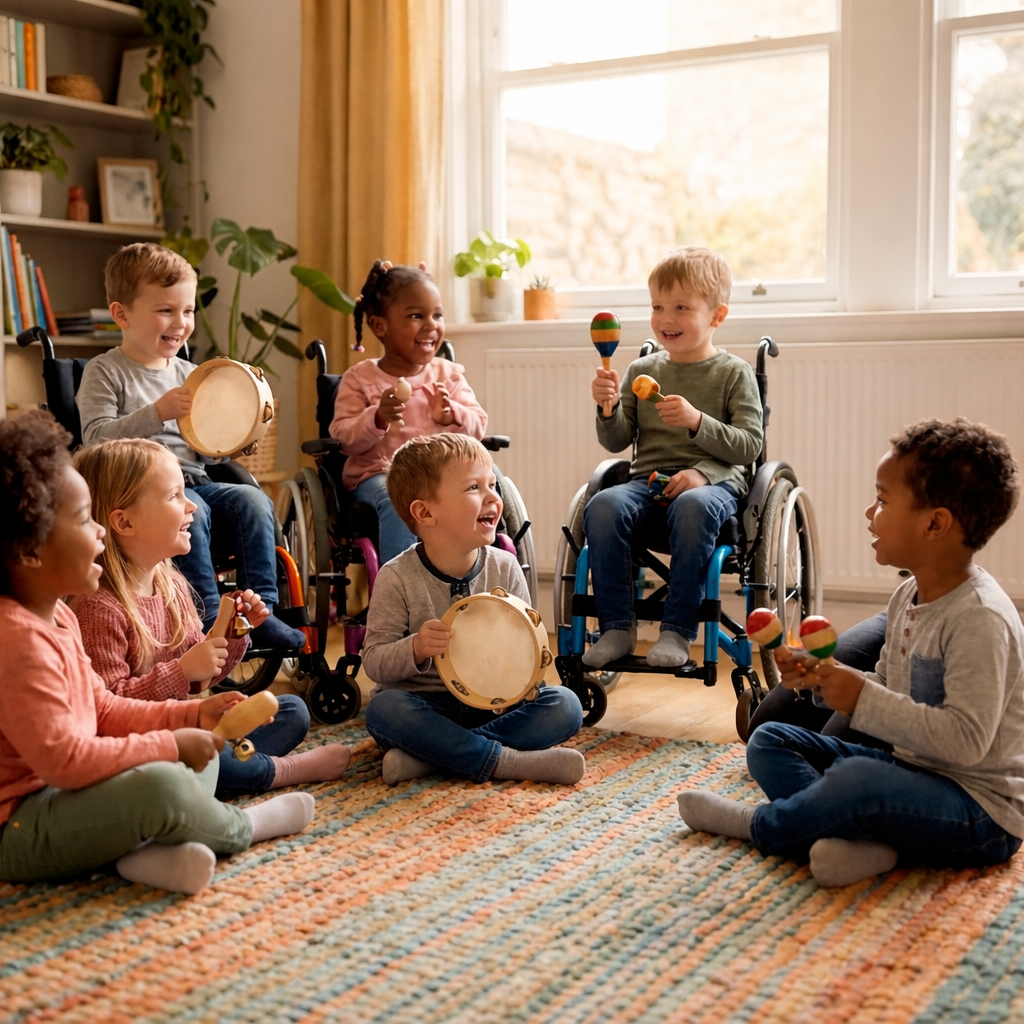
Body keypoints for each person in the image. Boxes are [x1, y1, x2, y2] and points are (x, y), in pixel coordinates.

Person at [677, 418, 1024, 888]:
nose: (869, 512)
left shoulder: (980, 618)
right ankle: (859, 842)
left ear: (935, 523)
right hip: (910, 772)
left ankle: (760, 825)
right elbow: (888, 687)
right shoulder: (908, 597)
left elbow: (966, 742)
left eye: (882, 500)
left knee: (858, 779)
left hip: (979, 811)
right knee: (771, 739)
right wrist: (826, 678)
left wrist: (860, 697)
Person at [0, 411, 314, 896]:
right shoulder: (18, 638)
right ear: (30, 552)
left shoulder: (55, 616)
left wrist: (190, 713)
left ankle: (141, 854)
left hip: (67, 796)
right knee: (165, 783)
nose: (100, 532)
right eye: (85, 521)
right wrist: (171, 743)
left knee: (193, 749)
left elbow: (101, 709)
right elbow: (65, 761)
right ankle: (242, 825)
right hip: (20, 825)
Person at [69, 438, 351, 799]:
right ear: (124, 521)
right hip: (138, 749)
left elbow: (202, 681)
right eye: (174, 497)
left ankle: (223, 770)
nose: (191, 506)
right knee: (183, 762)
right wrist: (181, 672)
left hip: (188, 728)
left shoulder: (170, 584)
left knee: (290, 710)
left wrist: (232, 632)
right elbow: (106, 710)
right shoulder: (99, 608)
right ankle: (279, 772)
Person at [75, 242, 305, 650]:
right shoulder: (105, 372)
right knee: (191, 517)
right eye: (165, 310)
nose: (180, 323)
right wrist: (157, 412)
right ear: (121, 314)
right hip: (139, 493)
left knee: (252, 500)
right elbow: (95, 440)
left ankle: (259, 611)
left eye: (187, 311)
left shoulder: (193, 374)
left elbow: (204, 447)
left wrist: (233, 442)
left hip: (195, 480)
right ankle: (207, 618)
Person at [361, 433, 585, 786]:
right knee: (384, 711)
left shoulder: (505, 567)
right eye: (473, 488)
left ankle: (434, 759)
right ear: (425, 512)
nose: (494, 498)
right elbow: (373, 660)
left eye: (492, 484)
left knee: (566, 705)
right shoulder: (396, 577)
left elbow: (526, 647)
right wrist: (416, 648)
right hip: (427, 706)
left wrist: (522, 665)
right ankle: (507, 762)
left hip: (496, 708)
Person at [584, 246, 763, 669]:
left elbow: (749, 446)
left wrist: (698, 425)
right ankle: (616, 627)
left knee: (693, 504)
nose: (666, 318)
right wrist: (608, 409)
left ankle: (677, 632)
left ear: (717, 316)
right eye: (658, 306)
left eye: (681, 307)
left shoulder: (732, 373)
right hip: (647, 485)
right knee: (605, 504)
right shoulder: (641, 370)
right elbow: (616, 442)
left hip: (713, 490)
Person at [328, 260, 488, 564]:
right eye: (416, 315)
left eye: (437, 315)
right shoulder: (360, 379)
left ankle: (477, 575)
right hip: (381, 475)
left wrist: (451, 414)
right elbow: (344, 439)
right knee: (398, 499)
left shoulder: (448, 375)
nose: (431, 325)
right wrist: (377, 418)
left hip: (445, 476)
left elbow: (478, 427)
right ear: (379, 326)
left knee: (489, 485)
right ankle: (403, 594)